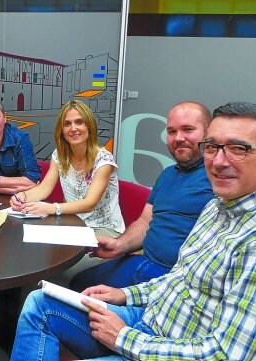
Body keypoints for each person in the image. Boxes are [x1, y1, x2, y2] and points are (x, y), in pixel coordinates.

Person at [10, 101, 256, 361]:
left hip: (166, 345)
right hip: (153, 317)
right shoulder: (218, 205)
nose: (218, 161)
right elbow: (179, 275)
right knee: (42, 301)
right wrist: (126, 294)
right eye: (212, 147)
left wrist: (124, 337)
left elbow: (228, 354)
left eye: (238, 148)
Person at [70, 101, 214, 290]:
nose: (178, 138)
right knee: (77, 284)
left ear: (209, 134)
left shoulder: (218, 178)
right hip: (142, 263)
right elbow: (145, 222)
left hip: (176, 278)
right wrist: (119, 244)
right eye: (171, 132)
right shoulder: (168, 174)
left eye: (188, 130)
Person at [10, 99, 124, 234]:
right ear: (62, 130)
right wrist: (21, 196)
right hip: (73, 224)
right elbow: (44, 189)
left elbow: (89, 203)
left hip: (104, 229)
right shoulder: (60, 155)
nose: (73, 128)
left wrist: (52, 208)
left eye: (79, 122)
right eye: (67, 124)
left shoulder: (104, 160)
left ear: (89, 126)